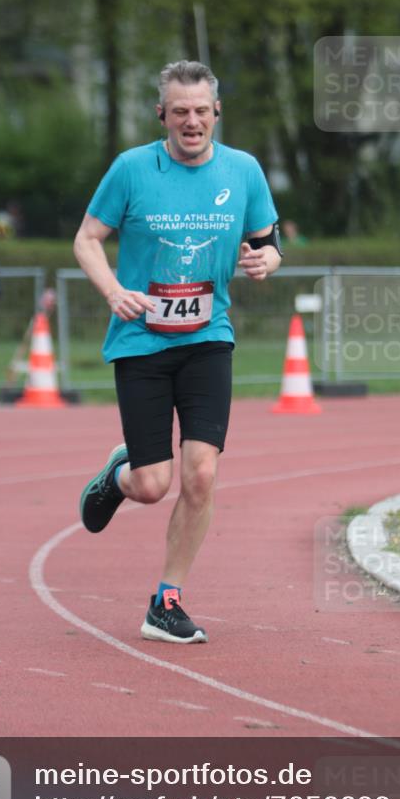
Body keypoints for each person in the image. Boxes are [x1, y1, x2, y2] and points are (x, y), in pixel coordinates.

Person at [74, 59, 282, 644]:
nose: (192, 122)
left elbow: (268, 244)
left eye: (201, 111)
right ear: (161, 114)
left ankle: (166, 600)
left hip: (207, 339)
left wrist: (268, 260)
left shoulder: (243, 171)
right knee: (152, 484)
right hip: (141, 341)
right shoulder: (132, 169)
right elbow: (87, 239)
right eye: (180, 111)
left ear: (217, 113)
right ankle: (119, 477)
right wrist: (113, 291)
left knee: (201, 474)